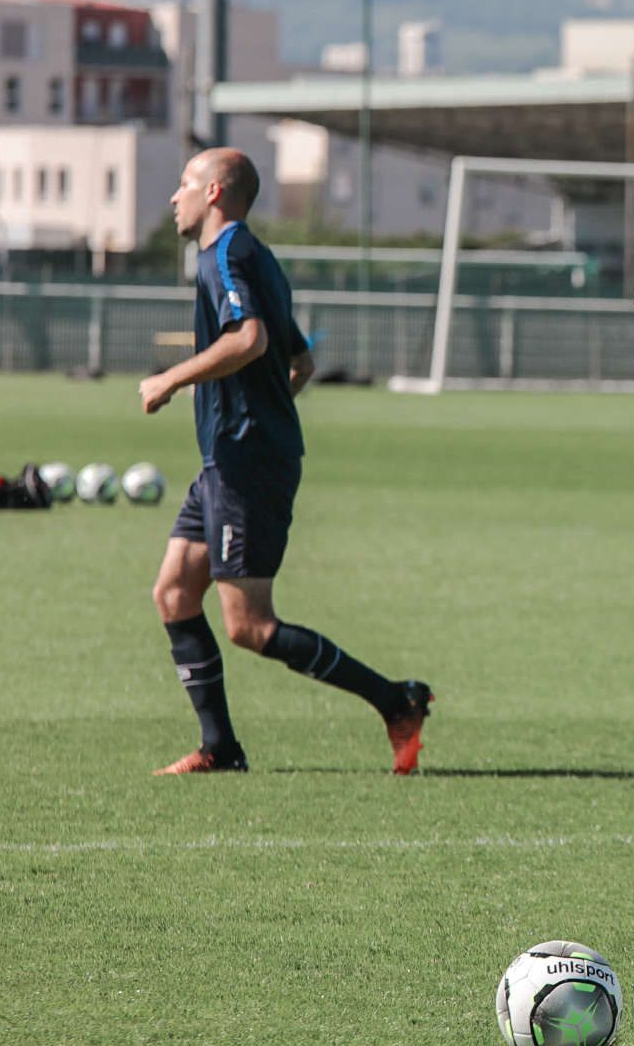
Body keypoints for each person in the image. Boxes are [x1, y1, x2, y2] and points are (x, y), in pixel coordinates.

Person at [142, 148, 433, 776]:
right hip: (233, 457)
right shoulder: (260, 260)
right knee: (173, 593)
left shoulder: (224, 256)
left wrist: (172, 379)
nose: (175, 197)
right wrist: (262, 415)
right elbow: (297, 362)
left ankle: (396, 700)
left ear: (214, 191)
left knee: (248, 625)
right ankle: (221, 748)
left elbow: (250, 340)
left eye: (184, 183)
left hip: (247, 462)